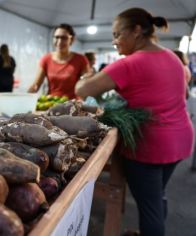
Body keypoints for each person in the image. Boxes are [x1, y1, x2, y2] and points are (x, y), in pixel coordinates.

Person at [75, 8, 194, 236]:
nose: (114, 41)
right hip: (181, 140)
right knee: (158, 195)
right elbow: (185, 95)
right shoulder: (172, 57)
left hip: (151, 146)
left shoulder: (129, 63)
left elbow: (82, 89)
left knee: (149, 207)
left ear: (137, 31)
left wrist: (85, 76)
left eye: (118, 34)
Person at [28, 23, 89, 99]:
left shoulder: (80, 59)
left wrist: (89, 78)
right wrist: (25, 97)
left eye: (64, 38)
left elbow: (87, 84)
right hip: (51, 103)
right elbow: (35, 85)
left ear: (72, 40)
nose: (59, 41)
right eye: (56, 37)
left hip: (73, 105)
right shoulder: (46, 59)